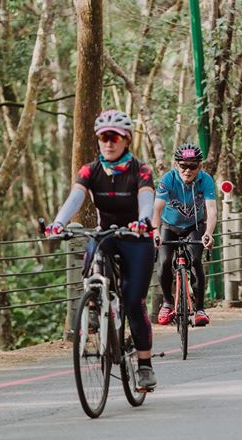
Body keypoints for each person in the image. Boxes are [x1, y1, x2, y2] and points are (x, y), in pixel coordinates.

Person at [45, 110, 158, 390]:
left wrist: (144, 221)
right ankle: (94, 303)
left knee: (133, 302)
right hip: (106, 233)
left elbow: (146, 198)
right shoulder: (90, 170)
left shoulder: (140, 170)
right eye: (103, 138)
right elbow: (76, 197)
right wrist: (58, 223)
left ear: (126, 140)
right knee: (93, 252)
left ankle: (144, 365)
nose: (108, 143)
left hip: (136, 238)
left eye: (115, 138)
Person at [153, 143, 216, 328]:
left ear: (200, 166)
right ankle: (167, 303)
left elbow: (211, 210)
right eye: (183, 166)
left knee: (196, 260)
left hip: (194, 226)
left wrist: (209, 234)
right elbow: (157, 208)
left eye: (193, 166)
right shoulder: (168, 179)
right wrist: (155, 231)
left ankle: (200, 309)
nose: (187, 171)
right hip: (169, 226)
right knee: (164, 262)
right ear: (176, 165)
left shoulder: (205, 180)